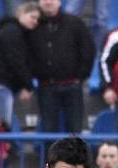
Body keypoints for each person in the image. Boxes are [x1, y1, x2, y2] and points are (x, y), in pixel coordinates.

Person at [27, 0, 95, 133]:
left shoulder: (75, 23)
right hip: (46, 87)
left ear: (59, 2)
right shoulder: (32, 25)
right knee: (48, 131)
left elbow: (88, 50)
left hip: (72, 87)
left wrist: (80, 77)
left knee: (75, 132)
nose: (48, 2)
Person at [0, 1, 40, 127]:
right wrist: (29, 86)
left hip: (3, 85)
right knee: (1, 127)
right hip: (1, 85)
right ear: (21, 13)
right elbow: (17, 62)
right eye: (32, 17)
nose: (35, 21)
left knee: (2, 124)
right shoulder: (13, 33)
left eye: (37, 19)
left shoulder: (15, 31)